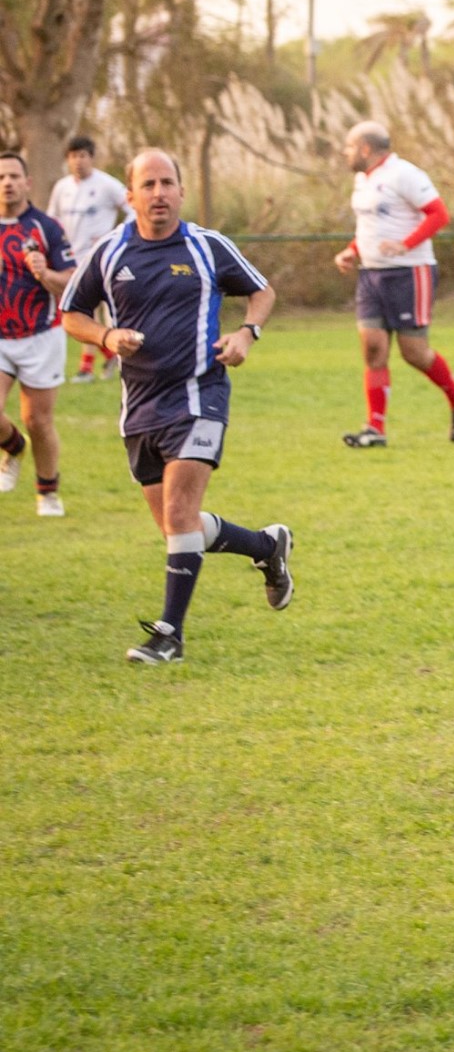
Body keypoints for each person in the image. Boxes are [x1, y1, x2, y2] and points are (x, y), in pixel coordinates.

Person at [58, 150, 293, 664]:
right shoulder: (110, 251)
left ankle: (170, 635)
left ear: (182, 192)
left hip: (200, 395)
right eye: (148, 184)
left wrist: (247, 335)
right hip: (140, 407)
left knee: (181, 512)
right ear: (130, 195)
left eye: (168, 183)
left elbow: (262, 291)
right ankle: (265, 547)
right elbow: (70, 312)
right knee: (176, 526)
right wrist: (106, 334)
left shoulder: (207, 247)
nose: (159, 192)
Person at [332, 122, 454, 448]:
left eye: (349, 146)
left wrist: (404, 245)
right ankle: (375, 429)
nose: (345, 152)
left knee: (414, 353)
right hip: (371, 275)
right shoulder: (362, 180)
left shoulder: (405, 174)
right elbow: (372, 224)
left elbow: (439, 214)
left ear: (366, 149)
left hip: (410, 273)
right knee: (373, 350)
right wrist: (352, 251)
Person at [0, 151, 75, 515]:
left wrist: (45, 273)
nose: (7, 183)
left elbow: (70, 281)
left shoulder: (46, 228)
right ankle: (13, 446)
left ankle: (47, 492)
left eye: (14, 176)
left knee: (38, 421)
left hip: (41, 334)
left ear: (28, 183)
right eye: (1, 177)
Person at [47, 135, 131, 382]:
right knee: (80, 311)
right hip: (70, 261)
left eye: (83, 155)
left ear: (91, 158)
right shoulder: (62, 188)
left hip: (101, 258)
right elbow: (52, 222)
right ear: (67, 160)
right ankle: (108, 354)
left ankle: (90, 365)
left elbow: (132, 209)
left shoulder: (107, 184)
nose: (78, 161)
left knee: (97, 310)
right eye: (73, 156)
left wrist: (115, 236)